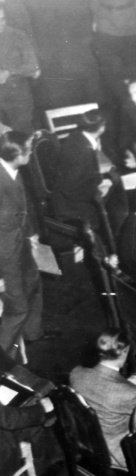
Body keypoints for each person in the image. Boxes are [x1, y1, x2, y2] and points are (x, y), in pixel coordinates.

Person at [70, 329, 136, 469]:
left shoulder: (76, 373)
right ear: (124, 351)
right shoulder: (130, 392)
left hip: (85, 444)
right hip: (117, 456)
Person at [0, 131, 43, 358]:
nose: (32, 152)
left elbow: (23, 208)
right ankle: (3, 362)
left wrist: (32, 234)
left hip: (20, 246)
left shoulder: (13, 171)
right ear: (17, 155)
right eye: (29, 149)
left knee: (34, 284)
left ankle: (32, 334)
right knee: (17, 310)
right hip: (5, 260)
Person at [51, 109, 129, 234]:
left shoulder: (76, 136)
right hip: (71, 207)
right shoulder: (84, 152)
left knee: (115, 181)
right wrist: (99, 186)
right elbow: (71, 189)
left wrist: (101, 179)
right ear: (101, 128)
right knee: (118, 195)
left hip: (69, 196)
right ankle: (115, 236)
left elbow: (81, 175)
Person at [0, 6, 39, 132]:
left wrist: (9, 72)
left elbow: (33, 66)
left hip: (17, 97)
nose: (1, 24)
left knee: (22, 134)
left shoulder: (18, 36)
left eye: (3, 19)